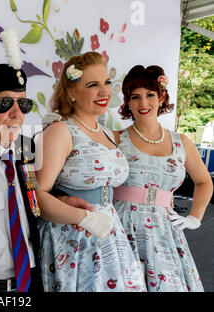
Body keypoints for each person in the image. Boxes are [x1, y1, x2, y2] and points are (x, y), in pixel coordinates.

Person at [35, 52, 147, 292]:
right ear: (71, 92)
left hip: (110, 231)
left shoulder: (106, 131)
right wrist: (85, 219)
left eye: (107, 83)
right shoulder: (61, 131)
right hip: (73, 236)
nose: (104, 92)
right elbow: (36, 196)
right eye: (93, 85)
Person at [112, 65, 212, 291]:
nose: (143, 103)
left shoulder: (182, 142)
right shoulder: (115, 138)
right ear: (127, 102)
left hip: (165, 231)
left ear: (162, 97)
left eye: (150, 95)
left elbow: (204, 181)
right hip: (121, 226)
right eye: (135, 97)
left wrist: (194, 218)